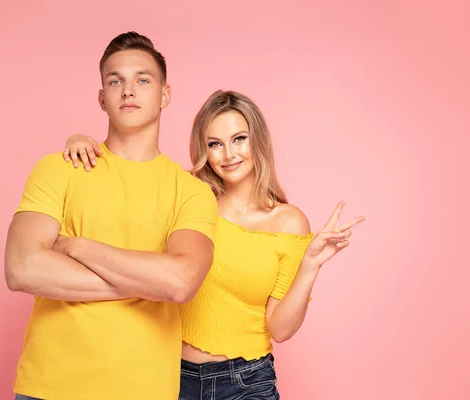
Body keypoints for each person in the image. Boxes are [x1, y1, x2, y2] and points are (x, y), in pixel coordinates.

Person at [61, 89, 366, 399]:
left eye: (239, 139)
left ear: (257, 140)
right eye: (215, 144)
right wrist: (81, 143)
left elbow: (281, 329)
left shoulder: (288, 222)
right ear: (203, 149)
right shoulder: (187, 196)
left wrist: (310, 266)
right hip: (168, 376)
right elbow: (121, 191)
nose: (229, 154)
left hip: (247, 381)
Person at [4, 31, 219, 400]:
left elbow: (181, 282)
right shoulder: (59, 168)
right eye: (115, 80)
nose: (128, 90)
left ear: (165, 94)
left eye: (143, 79)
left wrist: (77, 248)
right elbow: (21, 267)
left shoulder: (192, 191)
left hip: (143, 390)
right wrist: (149, 284)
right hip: (49, 386)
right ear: (102, 98)